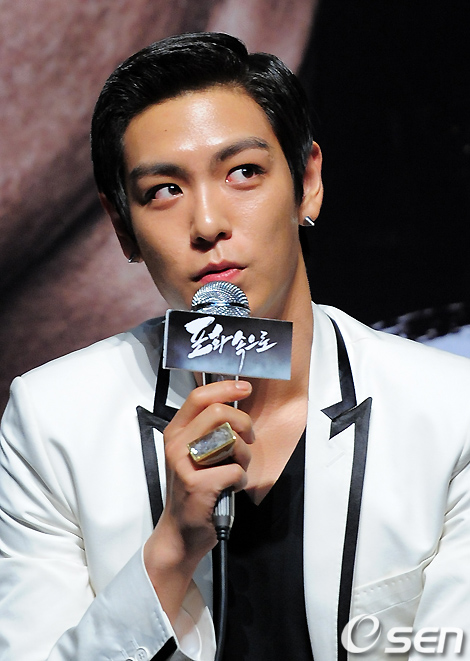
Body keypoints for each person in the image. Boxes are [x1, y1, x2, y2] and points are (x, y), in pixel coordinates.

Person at [1, 32, 470, 661]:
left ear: (307, 182)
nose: (207, 224)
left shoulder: (449, 412)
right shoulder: (52, 421)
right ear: (122, 227)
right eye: (163, 190)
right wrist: (171, 550)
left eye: (243, 173)